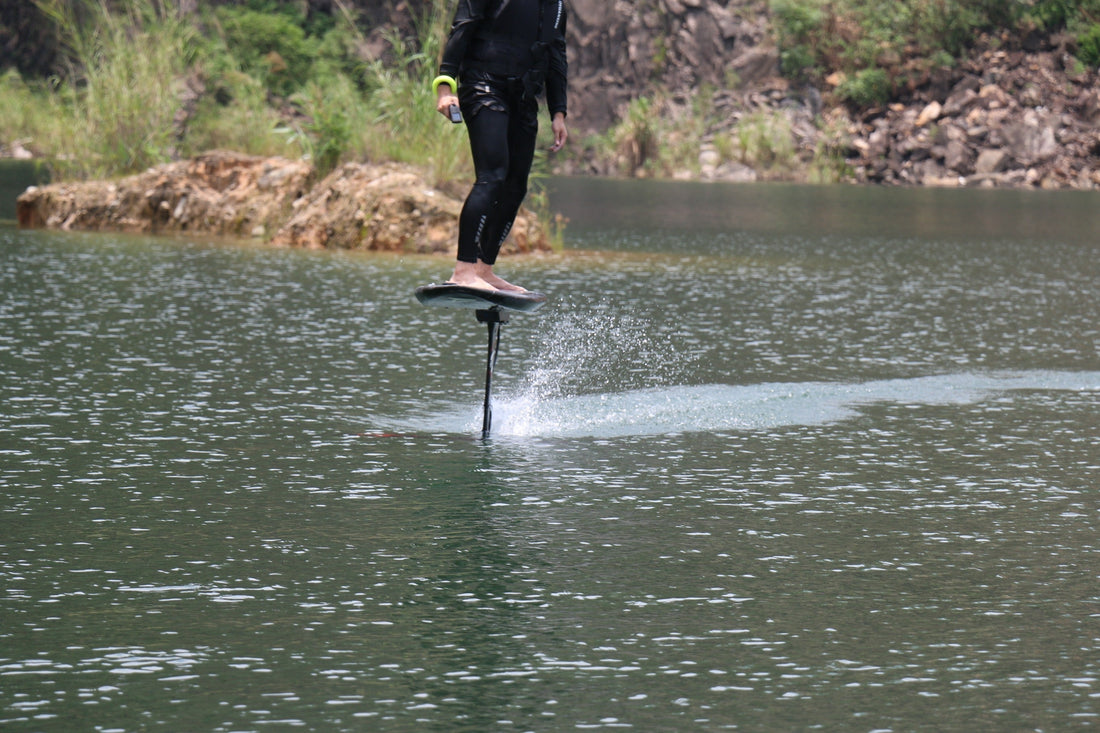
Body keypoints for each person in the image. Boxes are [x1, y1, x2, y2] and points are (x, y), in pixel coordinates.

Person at [433, 0, 568, 293]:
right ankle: (463, 270)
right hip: (483, 86)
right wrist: (445, 86)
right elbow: (463, 25)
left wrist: (558, 112)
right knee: (492, 176)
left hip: (524, 99)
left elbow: (556, 57)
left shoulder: (556, 6)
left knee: (516, 186)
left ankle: (484, 269)